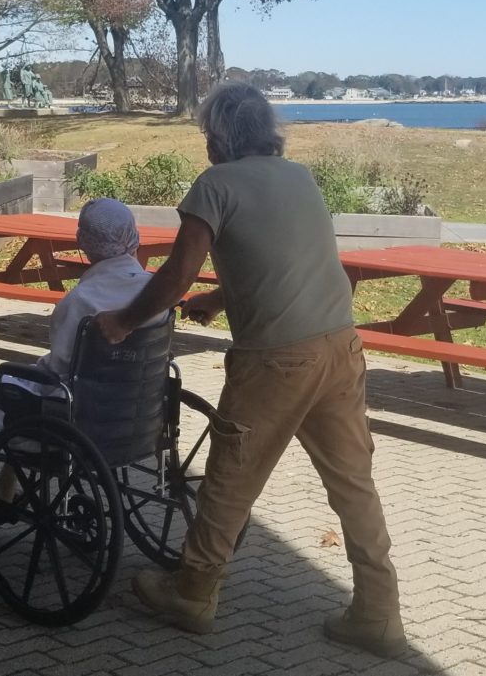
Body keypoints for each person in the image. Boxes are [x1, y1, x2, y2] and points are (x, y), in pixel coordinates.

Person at [96, 82, 404, 658]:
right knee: (353, 483)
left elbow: (173, 277)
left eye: (208, 134)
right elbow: (285, 260)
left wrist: (121, 321)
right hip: (339, 345)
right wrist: (221, 299)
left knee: (230, 478)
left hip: (277, 361)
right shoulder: (300, 177)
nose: (207, 144)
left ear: (219, 137)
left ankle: (191, 593)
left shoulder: (215, 185)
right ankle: (378, 612)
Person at [0, 198, 165, 528]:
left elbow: (60, 369)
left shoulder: (81, 301)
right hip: (133, 413)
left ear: (83, 244)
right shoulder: (156, 295)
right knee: (18, 392)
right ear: (133, 236)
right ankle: (4, 487)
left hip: (75, 418)